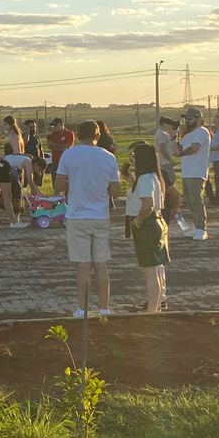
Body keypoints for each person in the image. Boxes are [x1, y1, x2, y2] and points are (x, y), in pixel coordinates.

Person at [55, 120, 121, 317]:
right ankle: (104, 308)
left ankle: (82, 310)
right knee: (101, 264)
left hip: (76, 216)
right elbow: (116, 192)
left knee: (82, 265)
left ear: (77, 134)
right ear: (98, 135)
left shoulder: (69, 154)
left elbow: (58, 186)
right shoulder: (109, 157)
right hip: (100, 215)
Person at [125, 141, 169, 313]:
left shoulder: (145, 178)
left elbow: (147, 205)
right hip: (156, 223)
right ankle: (155, 306)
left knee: (150, 272)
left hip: (147, 224)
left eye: (135, 156)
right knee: (155, 270)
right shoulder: (152, 176)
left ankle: (152, 309)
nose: (132, 159)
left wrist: (137, 221)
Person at [176, 108, 211, 240]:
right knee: (190, 202)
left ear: (198, 119)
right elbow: (177, 150)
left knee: (196, 201)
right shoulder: (188, 135)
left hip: (197, 172)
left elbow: (194, 149)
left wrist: (181, 153)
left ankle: (201, 229)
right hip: (187, 172)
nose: (187, 121)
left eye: (189, 119)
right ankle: (196, 227)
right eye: (186, 119)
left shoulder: (202, 132)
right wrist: (174, 137)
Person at [1, 116, 33, 228]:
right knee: (14, 192)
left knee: (15, 192)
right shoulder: (15, 136)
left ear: (10, 125)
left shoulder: (14, 137)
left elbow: (16, 153)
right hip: (13, 166)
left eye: (5, 124)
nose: (3, 126)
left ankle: (15, 219)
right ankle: (14, 219)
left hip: (13, 167)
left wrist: (7, 159)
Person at [154, 116, 180, 222]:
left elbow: (175, 151)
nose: (171, 127)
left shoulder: (165, 135)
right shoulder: (161, 134)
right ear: (164, 124)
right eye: (169, 124)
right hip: (164, 163)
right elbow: (163, 149)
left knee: (170, 183)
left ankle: (167, 202)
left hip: (165, 162)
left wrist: (174, 137)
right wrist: (170, 160)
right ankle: (167, 203)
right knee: (170, 183)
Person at [46, 118, 76, 190]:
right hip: (56, 161)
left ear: (61, 125)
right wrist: (60, 147)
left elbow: (67, 146)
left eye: (55, 125)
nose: (53, 127)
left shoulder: (69, 133)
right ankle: (56, 195)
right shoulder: (53, 134)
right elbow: (50, 146)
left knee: (68, 180)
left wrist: (55, 146)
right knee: (55, 179)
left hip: (67, 161)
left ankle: (67, 195)